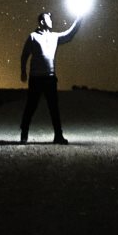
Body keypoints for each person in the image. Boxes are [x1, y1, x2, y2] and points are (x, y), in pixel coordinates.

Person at [19, 10, 81, 144]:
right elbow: (24, 55)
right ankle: (24, 132)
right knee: (31, 106)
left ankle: (58, 136)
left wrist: (79, 18)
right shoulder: (33, 37)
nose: (51, 21)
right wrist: (23, 71)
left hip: (50, 78)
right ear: (42, 22)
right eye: (49, 19)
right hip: (36, 78)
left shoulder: (54, 37)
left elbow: (69, 35)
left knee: (54, 108)